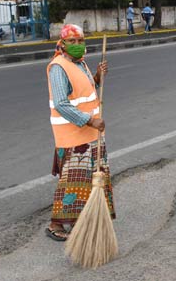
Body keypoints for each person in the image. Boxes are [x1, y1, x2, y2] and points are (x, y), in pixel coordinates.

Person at [45, 24, 115, 241]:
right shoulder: (58, 67)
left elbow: (85, 91)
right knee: (72, 182)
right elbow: (62, 104)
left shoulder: (80, 63)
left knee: (89, 180)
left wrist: (96, 77)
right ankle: (55, 224)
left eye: (80, 41)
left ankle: (82, 220)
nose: (77, 45)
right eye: (72, 41)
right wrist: (90, 120)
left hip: (91, 134)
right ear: (62, 43)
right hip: (73, 135)